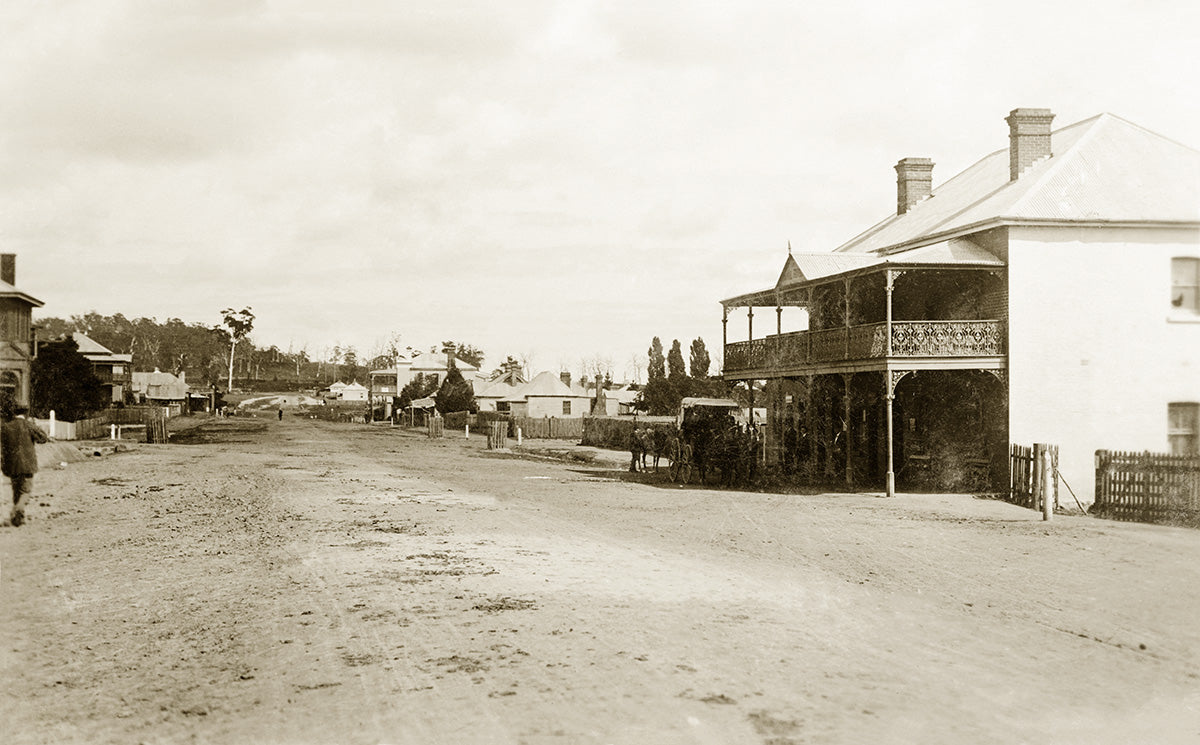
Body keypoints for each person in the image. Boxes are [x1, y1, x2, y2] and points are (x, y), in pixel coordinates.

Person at [2, 405, 49, 528]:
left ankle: (18, 520)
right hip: (27, 464)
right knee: (26, 491)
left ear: (14, 413)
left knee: (16, 491)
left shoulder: (6, 426)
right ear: (26, 414)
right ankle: (17, 510)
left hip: (11, 465)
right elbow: (43, 438)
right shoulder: (29, 425)